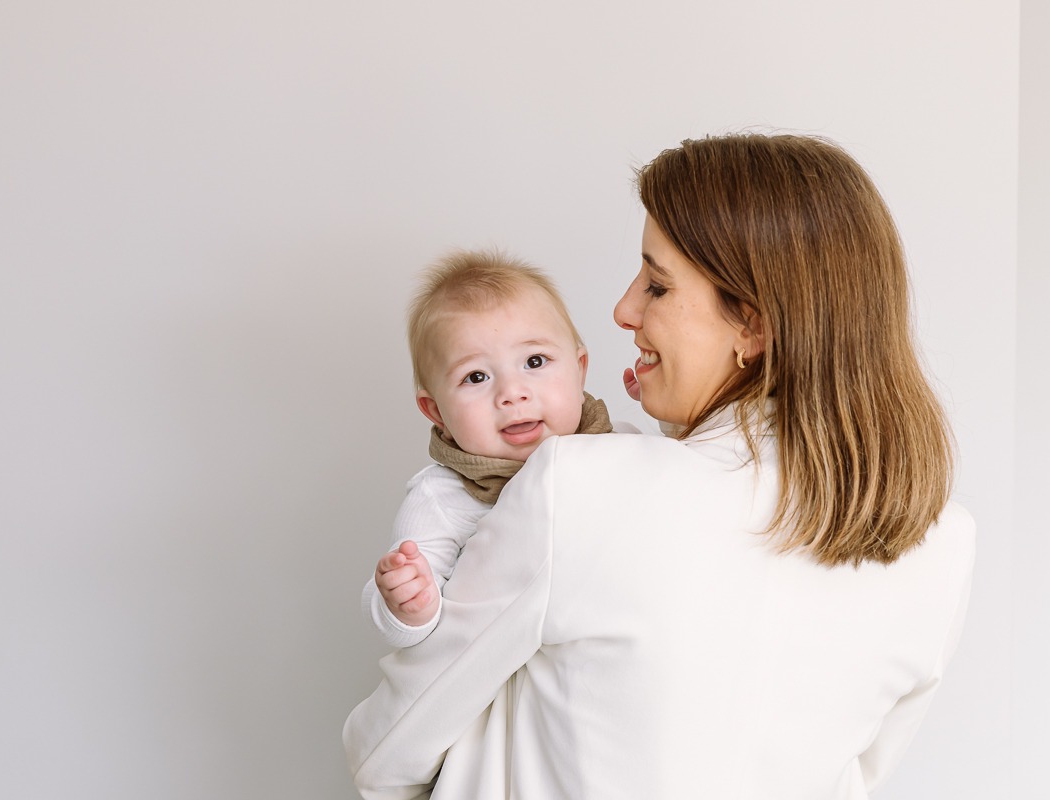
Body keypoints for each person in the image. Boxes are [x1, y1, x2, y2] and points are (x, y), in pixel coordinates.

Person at [343, 133, 976, 800]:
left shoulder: (579, 485)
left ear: (752, 327)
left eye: (657, 285)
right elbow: (853, 779)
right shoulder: (943, 544)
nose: (623, 310)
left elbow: (385, 754)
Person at [365, 249, 629, 648]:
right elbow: (405, 631)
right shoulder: (442, 498)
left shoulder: (620, 445)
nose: (511, 393)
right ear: (435, 410)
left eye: (535, 361)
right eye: (476, 376)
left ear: (580, 369)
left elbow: (687, 483)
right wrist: (408, 605)